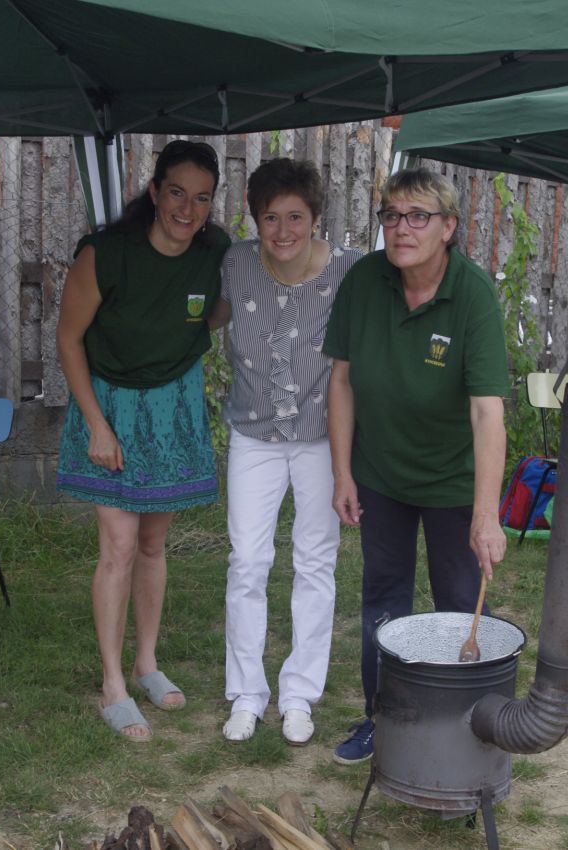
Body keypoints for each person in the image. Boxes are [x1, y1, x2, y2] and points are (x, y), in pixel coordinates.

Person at [321, 168, 511, 764]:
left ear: (448, 227)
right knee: (383, 599)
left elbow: (487, 412)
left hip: (452, 480)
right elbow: (342, 381)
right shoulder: (364, 280)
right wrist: (343, 472)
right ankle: (383, 720)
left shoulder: (472, 294)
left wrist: (486, 515)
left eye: (418, 217)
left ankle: (470, 730)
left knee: (459, 600)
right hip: (380, 474)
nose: (401, 229)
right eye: (392, 216)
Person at [56, 140, 230, 742]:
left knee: (154, 544)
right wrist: (96, 424)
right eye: (177, 192)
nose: (187, 208)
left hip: (173, 403)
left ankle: (146, 663)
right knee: (120, 545)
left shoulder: (215, 252)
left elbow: (222, 310)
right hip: (108, 403)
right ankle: (112, 683)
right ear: (154, 192)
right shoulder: (105, 253)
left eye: (201, 198)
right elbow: (68, 339)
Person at [209, 159, 362, 746]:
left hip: (323, 437)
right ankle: (247, 693)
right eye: (270, 217)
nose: (282, 230)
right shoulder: (237, 264)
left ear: (315, 217)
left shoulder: (348, 271)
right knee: (247, 560)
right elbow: (207, 318)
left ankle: (299, 694)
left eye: (295, 216)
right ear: (255, 219)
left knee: (315, 561)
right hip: (254, 434)